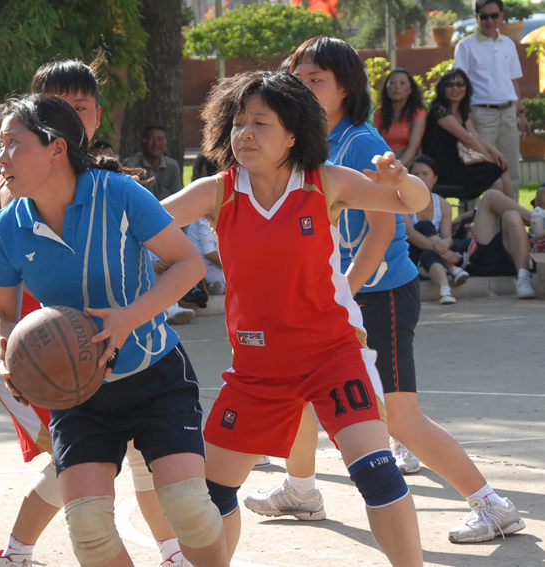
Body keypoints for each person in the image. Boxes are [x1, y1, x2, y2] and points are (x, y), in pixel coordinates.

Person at [244, 36, 525, 546]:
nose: (303, 87)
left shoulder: (361, 143)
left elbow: (382, 232)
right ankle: (301, 489)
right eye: (297, 77)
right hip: (338, 298)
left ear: (346, 88)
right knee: (298, 390)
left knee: (398, 415)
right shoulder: (310, 142)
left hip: (378, 295)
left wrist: (342, 296)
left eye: (316, 80)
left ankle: (493, 505)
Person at [161, 68, 428, 566]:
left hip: (332, 355)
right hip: (257, 369)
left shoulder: (324, 182)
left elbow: (413, 201)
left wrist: (403, 181)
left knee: (376, 471)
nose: (245, 134)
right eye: (238, 123)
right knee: (210, 493)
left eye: (261, 123)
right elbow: (147, 221)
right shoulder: (219, 191)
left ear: (293, 134)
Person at [0, 93, 229, 567]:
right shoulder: (8, 227)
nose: (2, 157)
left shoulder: (117, 193)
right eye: (0, 145)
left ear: (56, 148)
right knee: (89, 531)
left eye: (14, 143)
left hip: (153, 375)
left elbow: (189, 263)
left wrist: (127, 317)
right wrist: (1, 349)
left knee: (189, 509)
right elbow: (3, 314)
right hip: (78, 395)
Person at [455, 0, 533, 200]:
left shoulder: (508, 44)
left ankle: (512, 216)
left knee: (511, 169)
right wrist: (467, 119)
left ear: (501, 16)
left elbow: (513, 81)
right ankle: (478, 218)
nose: (489, 20)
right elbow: (459, 85)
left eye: (494, 15)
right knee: (481, 169)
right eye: (484, 16)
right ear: (476, 17)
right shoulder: (465, 46)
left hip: (508, 113)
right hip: (480, 114)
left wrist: (521, 114)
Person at [421, 69, 512, 201]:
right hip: (442, 166)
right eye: (449, 84)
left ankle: (506, 211)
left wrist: (495, 153)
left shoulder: (462, 110)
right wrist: (489, 160)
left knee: (499, 177)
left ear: (466, 87)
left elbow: (475, 136)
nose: (455, 88)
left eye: (460, 84)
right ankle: (509, 211)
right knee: (497, 173)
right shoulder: (440, 110)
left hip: (460, 162)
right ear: (442, 88)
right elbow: (466, 138)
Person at [404, 156, 470, 304]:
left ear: (435, 178)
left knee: (428, 253)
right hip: (410, 252)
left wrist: (443, 246)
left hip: (429, 255)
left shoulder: (443, 204)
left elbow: (447, 238)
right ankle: (452, 269)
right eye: (415, 174)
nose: (420, 178)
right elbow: (410, 234)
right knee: (424, 225)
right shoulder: (403, 202)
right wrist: (444, 252)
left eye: (425, 174)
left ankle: (445, 290)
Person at [458, 189, 539, 298]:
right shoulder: (458, 241)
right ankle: (537, 221)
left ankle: (523, 277)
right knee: (509, 213)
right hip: (488, 259)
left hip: (512, 256)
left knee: (504, 208)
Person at [185, 155, 225, 295]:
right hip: (207, 267)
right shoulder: (208, 205)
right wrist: (238, 267)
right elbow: (209, 253)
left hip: (222, 264)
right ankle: (210, 286)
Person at [373, 68, 426, 167]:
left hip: (409, 162)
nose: (397, 86)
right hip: (384, 160)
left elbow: (413, 147)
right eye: (392, 83)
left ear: (410, 89)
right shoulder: (378, 114)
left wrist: (397, 166)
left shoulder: (418, 112)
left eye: (402, 83)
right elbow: (375, 144)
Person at [123, 126, 183, 200]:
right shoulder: (131, 165)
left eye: (160, 139)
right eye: (151, 139)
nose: (156, 143)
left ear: (166, 144)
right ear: (143, 142)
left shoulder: (172, 166)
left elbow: (178, 195)